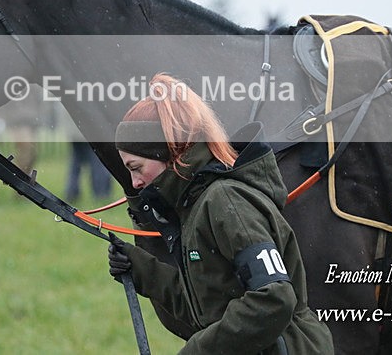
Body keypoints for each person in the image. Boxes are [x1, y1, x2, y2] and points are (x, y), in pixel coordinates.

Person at [107, 73, 333, 354]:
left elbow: (274, 298)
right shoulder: (196, 203)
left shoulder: (224, 200)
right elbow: (207, 305)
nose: (135, 184)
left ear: (166, 151)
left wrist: (198, 350)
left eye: (135, 167)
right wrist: (140, 268)